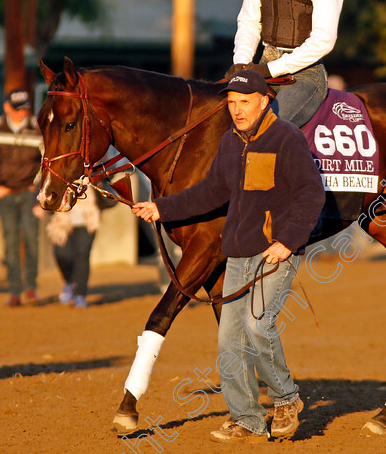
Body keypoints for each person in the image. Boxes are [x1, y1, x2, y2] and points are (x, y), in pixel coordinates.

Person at [132, 70, 325, 443]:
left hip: (274, 254)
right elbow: (210, 192)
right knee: (229, 342)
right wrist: (162, 208)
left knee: (258, 327)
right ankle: (248, 419)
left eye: (244, 102)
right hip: (237, 254)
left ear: (264, 100)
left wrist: (287, 241)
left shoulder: (286, 138)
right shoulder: (230, 142)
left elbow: (311, 194)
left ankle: (286, 399)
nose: (237, 110)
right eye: (232, 104)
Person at [0, 88, 43, 307]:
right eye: (17, 109)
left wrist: (36, 186)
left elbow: (47, 160)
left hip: (29, 193)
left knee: (32, 239)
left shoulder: (38, 129)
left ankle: (31, 288)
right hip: (4, 193)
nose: (22, 113)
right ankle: (15, 291)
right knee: (11, 241)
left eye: (25, 108)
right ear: (6, 108)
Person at [46, 186, 115, 309]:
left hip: (87, 221)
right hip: (61, 221)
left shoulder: (92, 172)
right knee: (61, 254)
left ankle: (80, 295)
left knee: (82, 256)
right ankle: (70, 282)